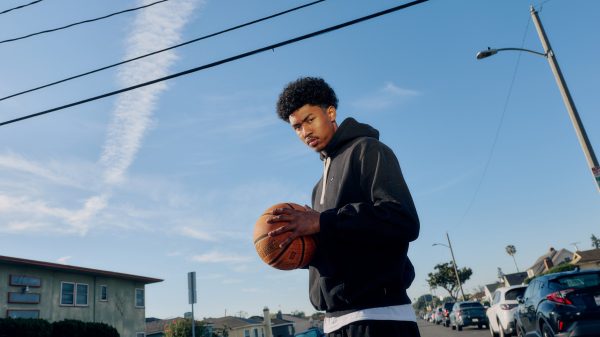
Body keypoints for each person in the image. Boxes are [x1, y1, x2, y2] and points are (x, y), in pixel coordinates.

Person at [267, 77, 421, 337]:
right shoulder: (318, 187)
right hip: (335, 323)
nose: (305, 132)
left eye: (310, 120)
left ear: (330, 112)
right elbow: (341, 242)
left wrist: (322, 222)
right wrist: (295, 247)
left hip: (379, 319)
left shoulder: (368, 150)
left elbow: (402, 218)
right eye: (296, 127)